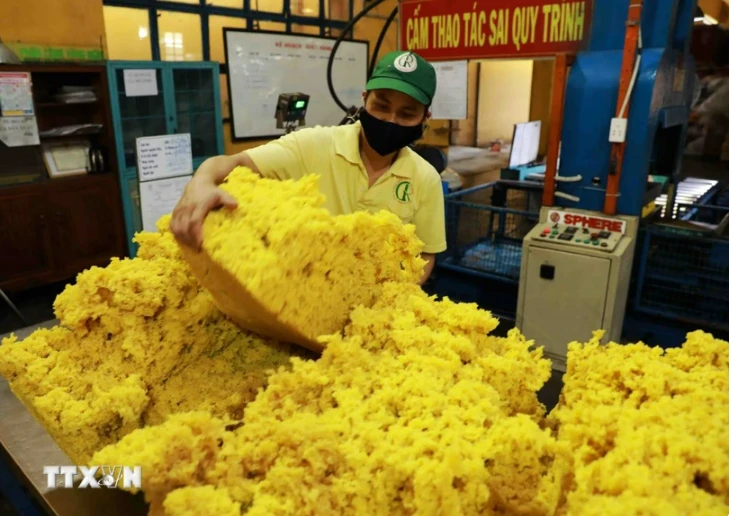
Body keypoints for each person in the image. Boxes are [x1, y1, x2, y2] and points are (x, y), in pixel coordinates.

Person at [171, 50, 446, 285]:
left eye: (407, 114)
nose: (390, 119)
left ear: (425, 118)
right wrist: (202, 182)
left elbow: (425, 254)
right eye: (381, 106)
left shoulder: (425, 179)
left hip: (375, 305)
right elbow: (234, 163)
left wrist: (393, 294)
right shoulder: (313, 145)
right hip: (304, 294)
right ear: (365, 99)